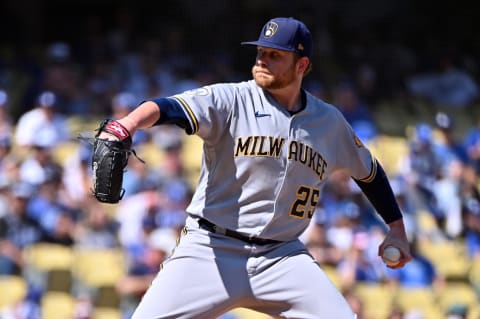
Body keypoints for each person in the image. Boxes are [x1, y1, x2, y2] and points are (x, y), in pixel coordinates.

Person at [96, 17, 412, 319]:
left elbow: (369, 172)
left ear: (301, 65)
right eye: (261, 52)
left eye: (275, 55)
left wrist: (396, 228)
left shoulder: (329, 122)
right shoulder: (232, 98)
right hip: (211, 248)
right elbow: (170, 107)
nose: (262, 60)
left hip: (282, 257)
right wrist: (128, 124)